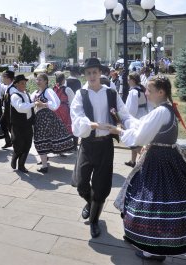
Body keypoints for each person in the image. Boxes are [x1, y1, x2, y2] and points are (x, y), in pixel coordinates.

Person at [110, 75, 186, 261]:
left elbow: (140, 137)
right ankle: (147, 241)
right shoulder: (166, 109)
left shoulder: (161, 112)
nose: (146, 93)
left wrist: (119, 131)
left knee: (152, 203)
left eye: (149, 90)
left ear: (161, 92)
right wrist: (125, 119)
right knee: (158, 201)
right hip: (166, 159)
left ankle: (152, 249)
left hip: (159, 162)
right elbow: (142, 125)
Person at [70, 57, 132, 238]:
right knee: (81, 183)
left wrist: (130, 127)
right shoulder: (81, 94)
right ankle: (90, 203)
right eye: (88, 72)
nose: (91, 75)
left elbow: (124, 113)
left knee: (101, 186)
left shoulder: (110, 92)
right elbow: (77, 117)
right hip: (88, 144)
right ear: (85, 74)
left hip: (105, 145)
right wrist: (93, 125)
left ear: (100, 73)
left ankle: (95, 221)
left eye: (94, 72)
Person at [31, 73, 74, 173]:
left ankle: (44, 166)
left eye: (40, 80)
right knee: (41, 140)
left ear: (46, 81)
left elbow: (56, 103)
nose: (38, 81)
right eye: (37, 80)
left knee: (42, 139)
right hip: (39, 119)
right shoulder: (36, 92)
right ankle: (44, 160)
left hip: (47, 119)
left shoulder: (48, 91)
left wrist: (43, 104)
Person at [10, 74, 35, 173]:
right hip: (18, 125)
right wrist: (33, 104)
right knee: (19, 144)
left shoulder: (27, 94)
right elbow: (21, 108)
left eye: (25, 83)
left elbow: (29, 107)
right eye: (22, 83)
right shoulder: (15, 96)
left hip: (28, 124)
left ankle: (21, 165)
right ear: (16, 84)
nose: (24, 84)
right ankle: (15, 156)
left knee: (27, 145)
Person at [124, 72, 149, 168]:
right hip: (143, 115)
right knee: (135, 141)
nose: (127, 81)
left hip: (136, 117)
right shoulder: (142, 89)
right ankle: (132, 161)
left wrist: (127, 120)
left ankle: (145, 160)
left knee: (134, 142)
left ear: (133, 80)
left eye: (129, 79)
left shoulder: (133, 92)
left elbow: (131, 109)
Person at [53, 72, 75, 151]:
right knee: (68, 127)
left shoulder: (54, 89)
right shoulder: (67, 89)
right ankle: (70, 146)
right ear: (63, 80)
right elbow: (72, 102)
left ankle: (59, 146)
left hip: (55, 110)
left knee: (58, 128)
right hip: (64, 109)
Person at [0, 70, 16, 149]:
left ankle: (17, 143)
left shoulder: (12, 89)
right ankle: (9, 142)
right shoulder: (8, 87)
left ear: (9, 78)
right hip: (6, 112)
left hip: (10, 113)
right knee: (2, 124)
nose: (2, 79)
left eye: (4, 77)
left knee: (11, 128)